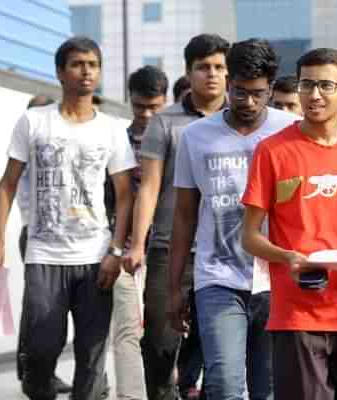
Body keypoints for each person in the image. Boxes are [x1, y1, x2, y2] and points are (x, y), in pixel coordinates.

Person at [0, 36, 136, 400]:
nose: (86, 71)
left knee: (92, 356)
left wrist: (115, 250)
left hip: (95, 257)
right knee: (40, 348)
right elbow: (6, 185)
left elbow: (126, 195)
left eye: (93, 65)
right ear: (60, 72)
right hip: (44, 255)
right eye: (77, 64)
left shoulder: (112, 128)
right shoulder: (34, 122)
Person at [242, 47, 337, 400]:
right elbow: (248, 237)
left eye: (326, 85)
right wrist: (287, 257)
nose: (314, 95)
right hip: (297, 313)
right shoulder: (272, 151)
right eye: (307, 85)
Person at [167, 38, 296, 400]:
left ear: (271, 88)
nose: (249, 103)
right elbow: (184, 216)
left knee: (268, 389)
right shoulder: (196, 137)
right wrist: (175, 287)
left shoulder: (293, 131)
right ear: (228, 83)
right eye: (240, 92)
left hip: (278, 279)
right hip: (217, 277)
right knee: (224, 384)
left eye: (258, 93)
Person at [123, 33, 229, 400]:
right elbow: (149, 186)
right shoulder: (165, 123)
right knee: (159, 343)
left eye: (218, 67)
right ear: (188, 71)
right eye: (203, 68)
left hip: (225, 251)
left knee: (218, 344)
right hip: (169, 249)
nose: (211, 75)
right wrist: (138, 245)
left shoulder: (241, 120)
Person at [108, 65, 168, 400]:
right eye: (139, 106)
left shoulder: (177, 137)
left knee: (163, 331)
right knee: (128, 329)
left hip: (166, 247)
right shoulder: (117, 140)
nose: (145, 114)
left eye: (153, 107)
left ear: (165, 102)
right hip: (126, 249)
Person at [15, 95, 73, 396]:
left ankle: (40, 373)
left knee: (50, 311)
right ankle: (33, 374)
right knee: (38, 311)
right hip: (36, 235)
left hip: (57, 237)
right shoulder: (28, 149)